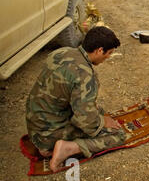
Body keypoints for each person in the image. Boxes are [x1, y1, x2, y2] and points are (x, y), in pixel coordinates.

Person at [25, 26, 126, 172]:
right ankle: (66, 148)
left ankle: (48, 145)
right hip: (47, 134)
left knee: (96, 111)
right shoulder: (85, 76)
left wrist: (99, 113)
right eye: (108, 53)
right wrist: (102, 121)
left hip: (34, 126)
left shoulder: (61, 52)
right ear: (99, 50)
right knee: (119, 135)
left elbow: (65, 94)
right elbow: (86, 122)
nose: (108, 57)